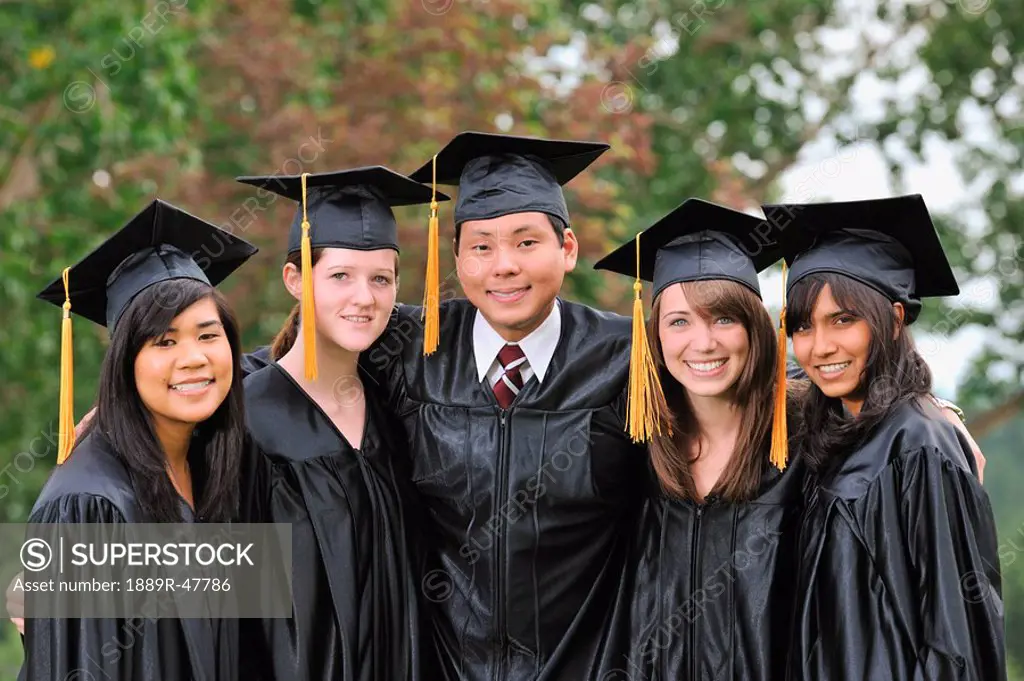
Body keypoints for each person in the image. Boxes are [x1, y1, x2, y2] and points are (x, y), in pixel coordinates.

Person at [359, 131, 645, 680]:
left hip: (589, 663)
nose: (503, 265)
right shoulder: (408, 352)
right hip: (440, 665)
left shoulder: (629, 357)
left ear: (568, 249)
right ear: (458, 259)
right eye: (482, 245)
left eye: (526, 242)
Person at [767, 195, 1006, 679]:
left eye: (843, 320)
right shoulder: (835, 430)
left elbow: (955, 639)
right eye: (803, 327)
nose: (821, 347)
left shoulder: (921, 446)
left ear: (895, 319)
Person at [20, 199, 258, 681]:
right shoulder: (88, 506)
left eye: (208, 336)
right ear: (125, 362)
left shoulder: (208, 466)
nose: (193, 358)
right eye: (164, 342)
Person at [233, 166, 447, 681]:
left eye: (381, 278)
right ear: (294, 280)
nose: (364, 298)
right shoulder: (243, 419)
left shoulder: (396, 413)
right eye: (340, 276)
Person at [593, 198, 803, 680]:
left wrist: (933, 409)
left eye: (724, 318)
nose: (703, 343)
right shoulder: (632, 441)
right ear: (656, 336)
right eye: (679, 321)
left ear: (755, 328)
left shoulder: (807, 441)